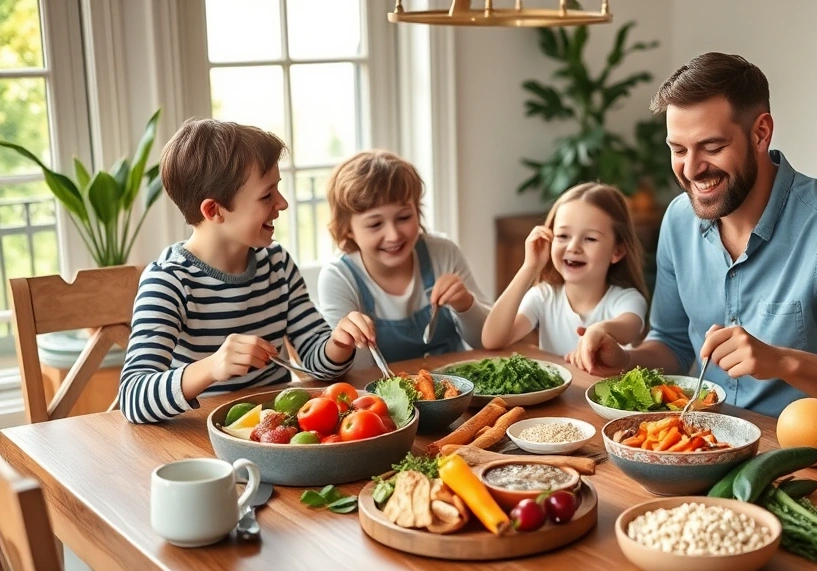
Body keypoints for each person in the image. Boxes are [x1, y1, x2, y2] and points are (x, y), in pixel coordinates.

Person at [574, 53, 817, 442]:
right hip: (702, 447)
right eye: (678, 149)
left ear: (760, 133)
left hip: (815, 466)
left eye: (711, 146)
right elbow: (672, 344)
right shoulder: (678, 219)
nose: (690, 170)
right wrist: (625, 359)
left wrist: (783, 361)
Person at [119, 119, 366, 424]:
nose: (282, 203)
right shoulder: (168, 282)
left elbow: (319, 365)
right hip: (205, 440)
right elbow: (133, 397)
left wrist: (338, 343)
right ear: (214, 211)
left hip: (279, 431)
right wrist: (212, 367)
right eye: (267, 195)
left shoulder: (277, 263)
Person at [317, 150, 491, 370]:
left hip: (456, 393)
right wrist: (350, 339)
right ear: (347, 229)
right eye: (375, 224)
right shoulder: (339, 277)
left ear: (417, 212)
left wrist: (465, 305)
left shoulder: (443, 252)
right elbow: (355, 372)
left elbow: (488, 340)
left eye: (404, 217)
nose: (394, 235)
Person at [482, 182, 649, 364]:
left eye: (590, 238)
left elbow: (628, 329)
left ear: (617, 252)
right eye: (562, 236)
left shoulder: (627, 299)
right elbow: (492, 340)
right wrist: (529, 267)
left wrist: (599, 330)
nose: (573, 247)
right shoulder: (543, 297)